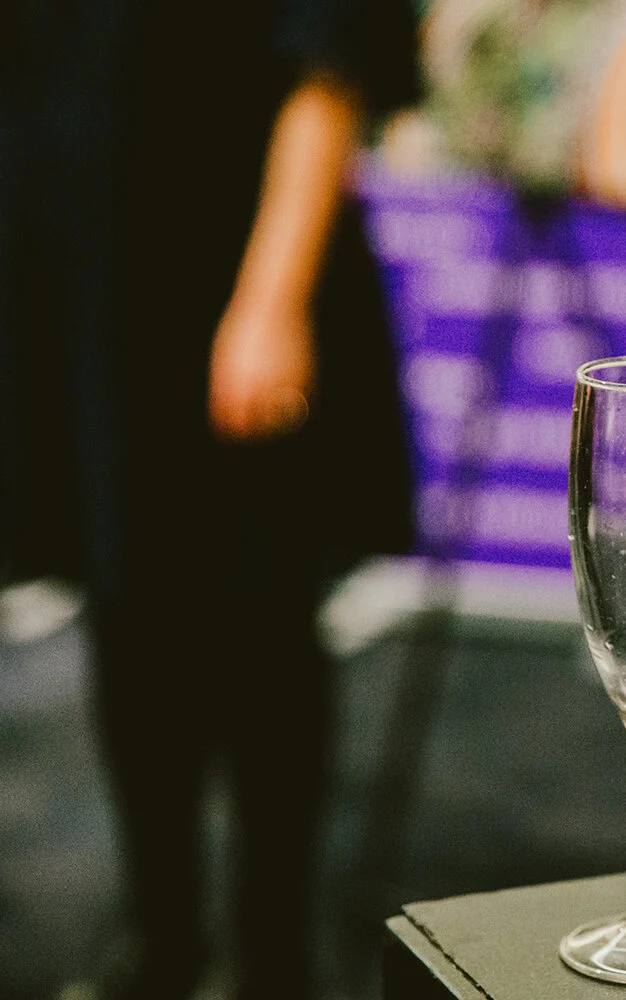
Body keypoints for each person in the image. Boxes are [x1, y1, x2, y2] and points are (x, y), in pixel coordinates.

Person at [0, 3, 417, 998]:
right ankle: (163, 941)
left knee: (261, 617)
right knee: (124, 607)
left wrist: (273, 301)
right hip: (76, 280)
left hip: (231, 274)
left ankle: (275, 954)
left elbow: (332, 65)